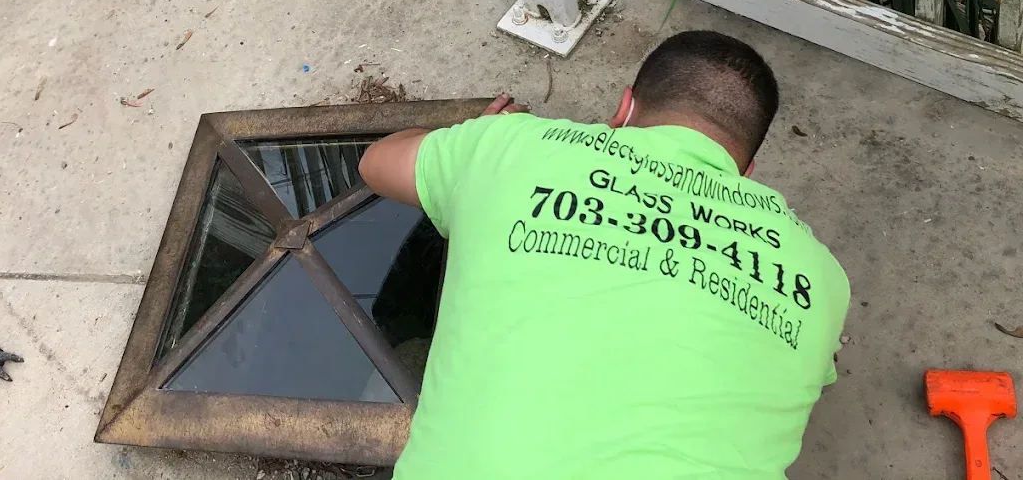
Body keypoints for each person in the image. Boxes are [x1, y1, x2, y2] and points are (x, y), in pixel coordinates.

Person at [359, 29, 850, 480]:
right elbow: (812, 379)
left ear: (624, 109)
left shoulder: (512, 147)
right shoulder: (823, 276)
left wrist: (475, 142)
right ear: (746, 172)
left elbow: (376, 164)